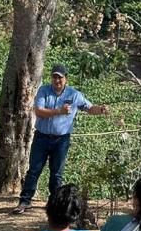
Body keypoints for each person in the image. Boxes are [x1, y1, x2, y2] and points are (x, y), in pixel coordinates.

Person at [13, 65, 108, 215]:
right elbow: (39, 111)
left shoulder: (74, 94)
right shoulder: (44, 90)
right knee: (34, 170)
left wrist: (100, 109)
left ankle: (54, 203)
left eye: (60, 77)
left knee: (56, 173)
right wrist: (59, 111)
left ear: (66, 79)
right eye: (54, 77)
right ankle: (25, 201)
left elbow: (89, 108)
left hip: (62, 140)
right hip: (42, 137)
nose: (57, 80)